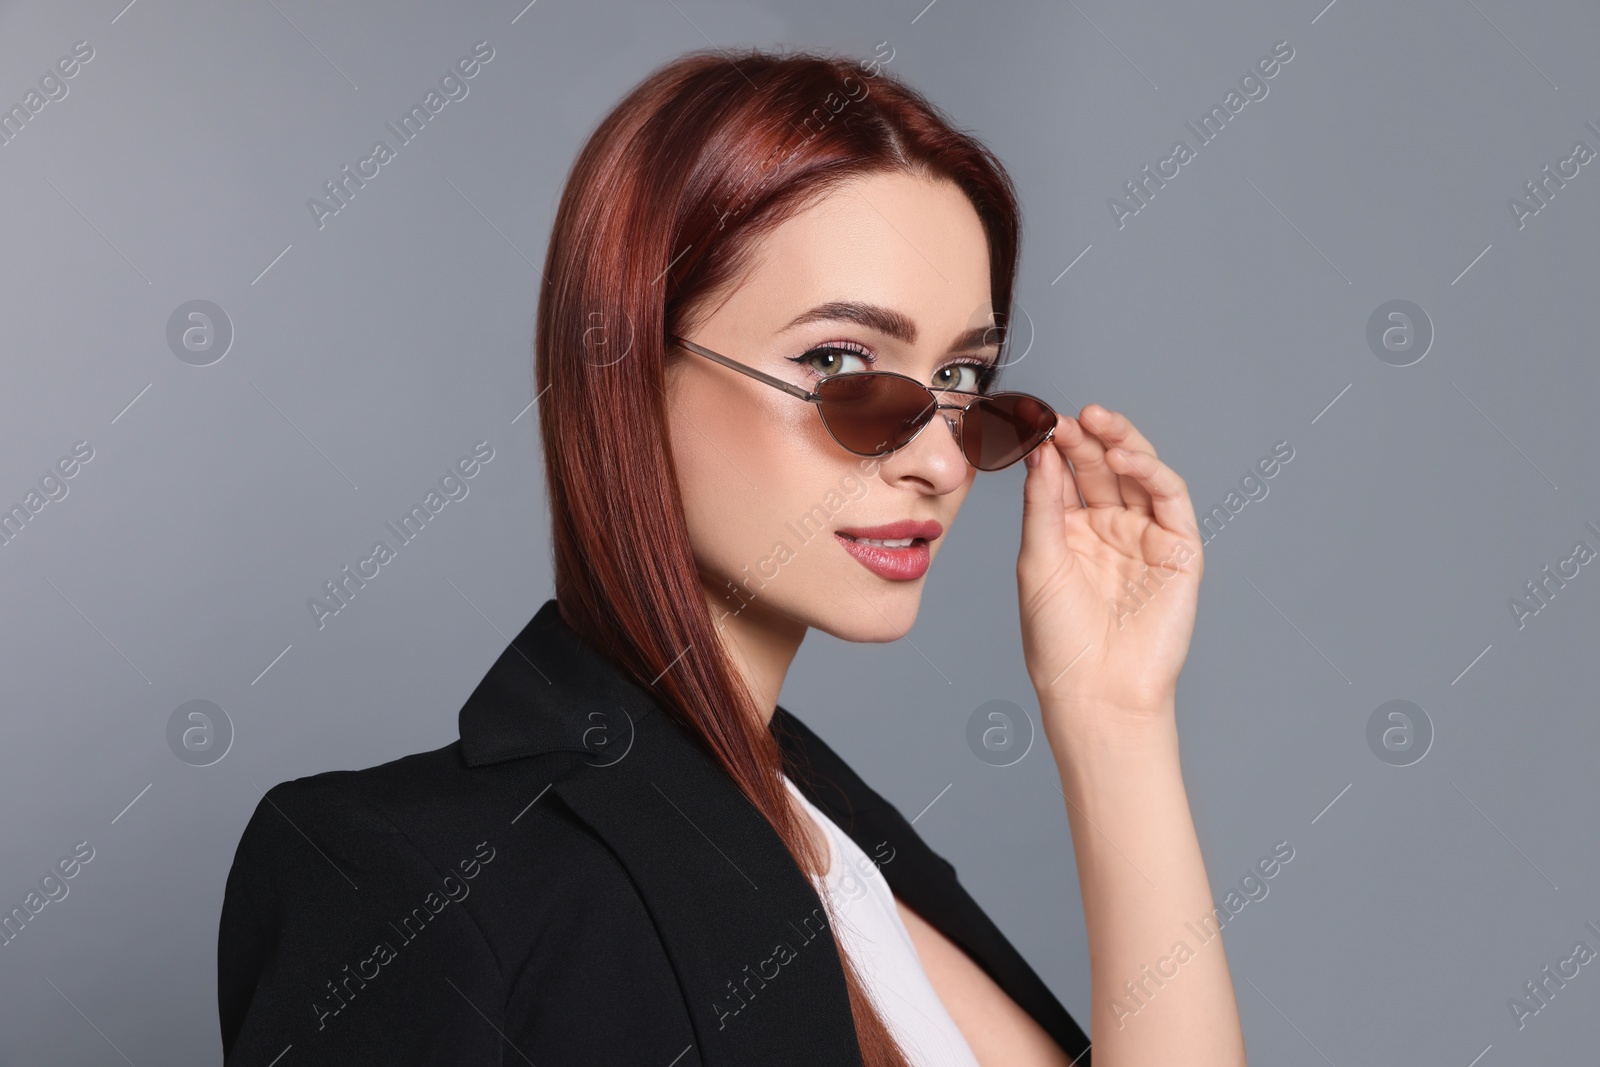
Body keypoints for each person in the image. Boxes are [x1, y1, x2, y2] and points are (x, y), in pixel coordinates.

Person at [217, 47, 1246, 1066]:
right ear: (628, 368)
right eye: (840, 362)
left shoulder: (846, 837)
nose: (938, 458)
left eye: (962, 375)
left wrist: (1115, 714)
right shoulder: (413, 877)